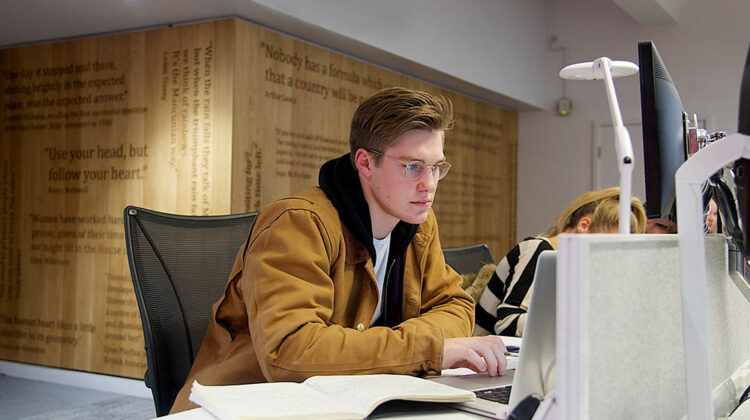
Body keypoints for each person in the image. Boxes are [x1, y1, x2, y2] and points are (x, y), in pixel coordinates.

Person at [170, 87, 508, 413]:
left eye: (437, 167)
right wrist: (428, 348)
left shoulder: (417, 223)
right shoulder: (299, 223)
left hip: (349, 399)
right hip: (248, 404)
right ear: (365, 163)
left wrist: (407, 348)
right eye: (413, 166)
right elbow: (291, 352)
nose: (429, 184)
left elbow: (454, 305)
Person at [474, 187, 647, 336]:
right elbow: (506, 323)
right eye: (608, 244)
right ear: (584, 225)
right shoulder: (538, 251)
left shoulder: (574, 268)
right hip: (481, 358)